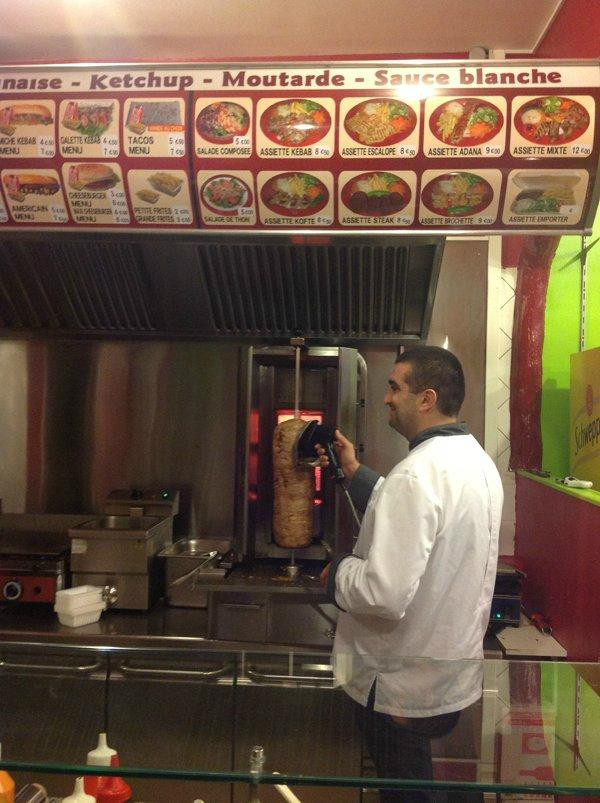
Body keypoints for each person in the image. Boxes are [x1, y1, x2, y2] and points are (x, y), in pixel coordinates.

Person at [317, 345, 503, 802]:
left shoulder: (417, 474)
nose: (386, 398)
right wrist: (354, 471)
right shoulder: (475, 462)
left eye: (394, 387)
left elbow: (382, 593)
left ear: (426, 399)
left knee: (407, 795)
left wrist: (337, 573)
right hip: (446, 675)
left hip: (400, 684)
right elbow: (419, 515)